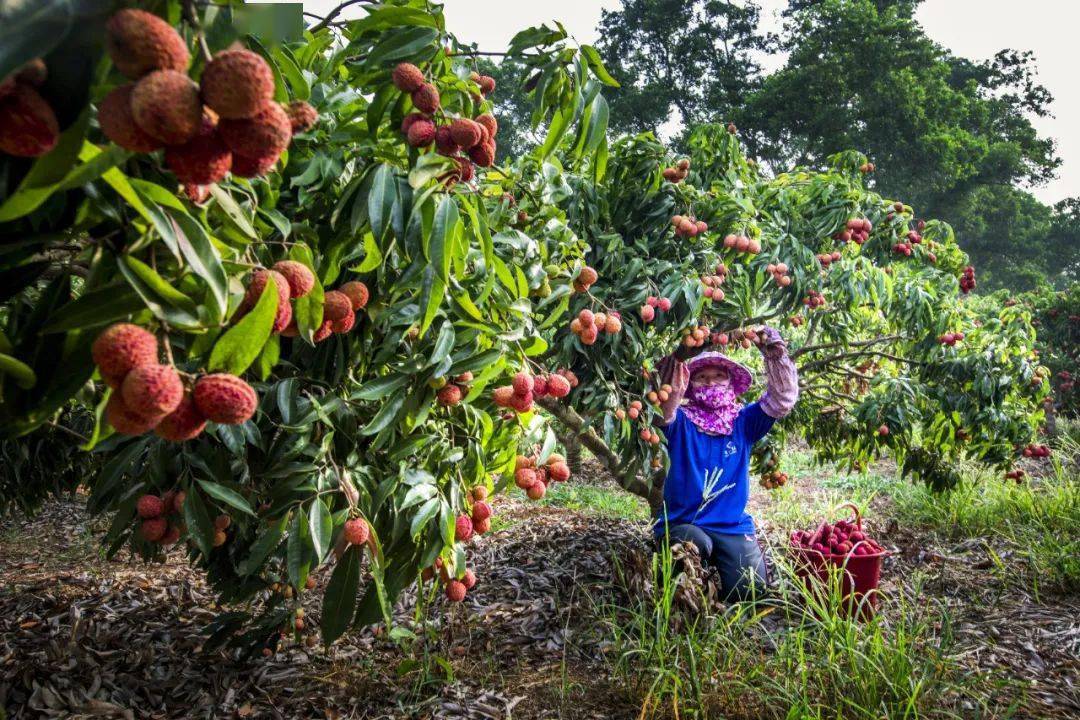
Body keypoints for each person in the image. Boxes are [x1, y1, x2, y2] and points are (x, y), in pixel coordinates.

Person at [652, 325, 799, 601]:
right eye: (702, 377)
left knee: (750, 592)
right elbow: (662, 409)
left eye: (718, 376)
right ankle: (678, 585)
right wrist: (679, 358)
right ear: (689, 384)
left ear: (730, 381)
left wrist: (775, 354)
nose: (710, 382)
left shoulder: (742, 422)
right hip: (684, 521)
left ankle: (721, 568)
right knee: (693, 546)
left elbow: (781, 401)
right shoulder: (679, 421)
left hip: (730, 524)